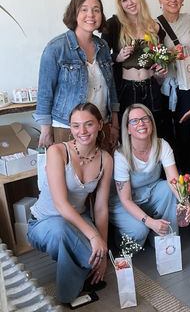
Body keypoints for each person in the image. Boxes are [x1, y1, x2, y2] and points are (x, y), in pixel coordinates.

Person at [28, 103, 113, 304]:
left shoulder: (106, 160)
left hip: (78, 220)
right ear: (70, 128)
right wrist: (93, 238)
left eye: (88, 124)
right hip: (45, 222)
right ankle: (70, 291)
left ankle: (83, 264)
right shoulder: (57, 151)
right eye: (75, 126)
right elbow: (61, 205)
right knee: (64, 231)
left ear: (100, 124)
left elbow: (100, 208)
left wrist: (103, 244)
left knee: (95, 254)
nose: (81, 131)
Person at [34, 0, 119, 151]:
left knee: (103, 173)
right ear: (74, 13)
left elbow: (111, 87)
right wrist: (46, 129)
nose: (91, 15)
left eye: (96, 10)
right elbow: (45, 92)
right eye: (84, 9)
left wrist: (114, 124)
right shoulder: (56, 48)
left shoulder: (103, 46)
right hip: (67, 126)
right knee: (71, 174)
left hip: (101, 125)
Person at [109, 104, 190, 246]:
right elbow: (126, 200)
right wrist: (150, 222)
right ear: (127, 129)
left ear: (151, 123)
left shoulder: (162, 145)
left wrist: (185, 201)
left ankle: (164, 240)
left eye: (145, 119)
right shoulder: (121, 155)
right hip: (126, 202)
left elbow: (173, 181)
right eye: (134, 121)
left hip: (150, 193)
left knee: (167, 188)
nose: (141, 123)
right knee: (138, 232)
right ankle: (124, 233)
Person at [101, 0, 167, 132]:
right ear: (119, 4)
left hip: (151, 86)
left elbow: (162, 58)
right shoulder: (113, 25)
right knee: (128, 133)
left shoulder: (154, 27)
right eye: (124, 0)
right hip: (126, 89)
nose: (130, 3)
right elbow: (101, 58)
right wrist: (117, 57)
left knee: (155, 131)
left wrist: (162, 67)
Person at [156, 0, 190, 174]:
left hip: (187, 85)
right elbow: (148, 56)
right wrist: (168, 56)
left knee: (186, 132)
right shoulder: (153, 25)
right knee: (165, 133)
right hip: (163, 87)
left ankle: (188, 177)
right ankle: (170, 178)